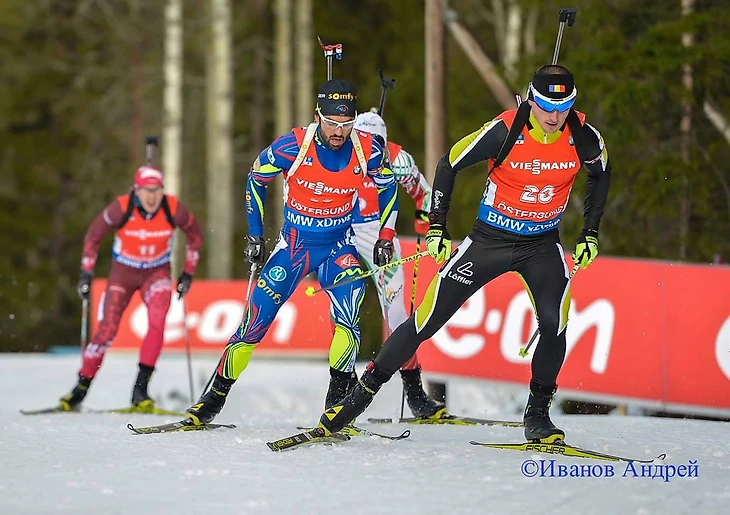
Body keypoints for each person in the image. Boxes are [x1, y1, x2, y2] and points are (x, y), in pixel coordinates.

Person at [316, 64, 612, 443]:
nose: (554, 117)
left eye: (563, 107)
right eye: (546, 106)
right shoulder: (505, 130)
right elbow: (449, 162)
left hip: (541, 244)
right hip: (489, 240)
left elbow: (601, 174)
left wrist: (589, 233)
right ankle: (356, 400)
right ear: (531, 99)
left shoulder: (584, 137)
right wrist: (438, 226)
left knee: (555, 323)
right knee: (425, 320)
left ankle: (537, 415)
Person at [184, 79, 398, 425]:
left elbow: (389, 189)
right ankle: (214, 398)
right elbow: (256, 177)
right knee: (254, 322)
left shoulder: (367, 149)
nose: (339, 132)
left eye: (346, 124)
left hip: (338, 246)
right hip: (294, 247)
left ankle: (338, 404)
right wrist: (255, 235)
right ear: (318, 116)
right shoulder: (293, 145)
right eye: (332, 123)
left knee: (351, 310)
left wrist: (385, 236)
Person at [60, 165, 203, 411]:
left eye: (157, 190)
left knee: (158, 323)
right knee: (106, 331)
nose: (151, 197)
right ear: (136, 190)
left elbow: (195, 235)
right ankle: (80, 388)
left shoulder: (172, 207)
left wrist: (188, 272)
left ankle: (140, 390)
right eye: (146, 190)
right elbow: (93, 237)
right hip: (123, 274)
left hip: (156, 273)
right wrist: (86, 273)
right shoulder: (121, 207)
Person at [351, 110, 445, 419]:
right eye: (362, 139)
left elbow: (424, 193)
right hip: (344, 233)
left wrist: (424, 216)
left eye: (376, 140)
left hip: (381, 235)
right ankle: (342, 385)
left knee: (397, 313)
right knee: (344, 307)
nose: (370, 147)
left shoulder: (397, 157)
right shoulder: (341, 153)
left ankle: (415, 392)